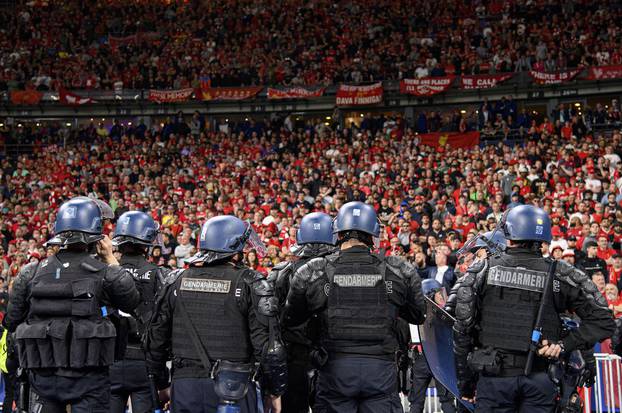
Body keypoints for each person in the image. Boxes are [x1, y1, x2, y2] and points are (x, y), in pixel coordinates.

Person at [453, 205, 615, 412]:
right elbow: (604, 320)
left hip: (494, 381)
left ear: (508, 235)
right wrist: (564, 345)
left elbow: (462, 330)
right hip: (541, 380)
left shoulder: (483, 270)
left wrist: (465, 384)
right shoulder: (561, 272)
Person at [284, 201, 426, 413]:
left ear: (338, 234)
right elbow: (418, 315)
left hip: (334, 370)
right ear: (372, 235)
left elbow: (291, 319)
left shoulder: (314, 270)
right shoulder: (399, 269)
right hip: (381, 372)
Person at [5, 197, 140, 413]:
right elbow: (132, 301)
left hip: (43, 377)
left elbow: (11, 322)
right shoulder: (105, 273)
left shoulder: (30, 272)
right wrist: (111, 260)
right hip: (89, 378)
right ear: (97, 236)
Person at [145, 215, 286, 413]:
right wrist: (274, 391)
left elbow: (155, 342)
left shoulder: (175, 280)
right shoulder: (250, 283)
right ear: (234, 250)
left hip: (185, 388)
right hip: (235, 390)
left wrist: (161, 385)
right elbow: (269, 349)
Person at [269, 212, 336, 413]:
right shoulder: (342, 270)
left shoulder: (281, 272)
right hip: (331, 357)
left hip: (292, 356)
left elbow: (270, 318)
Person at [109, 211, 169, 413]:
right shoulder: (157, 274)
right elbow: (162, 324)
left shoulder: (104, 272)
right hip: (143, 361)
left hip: (109, 360)